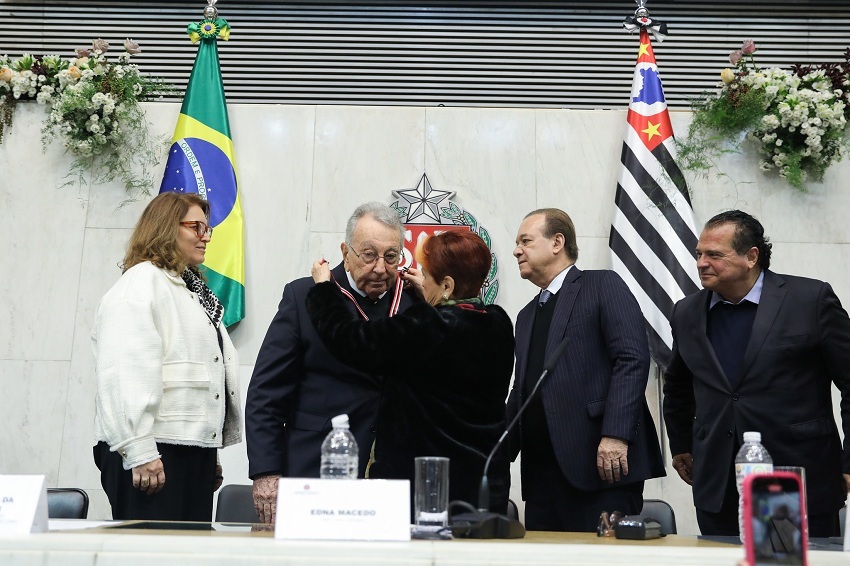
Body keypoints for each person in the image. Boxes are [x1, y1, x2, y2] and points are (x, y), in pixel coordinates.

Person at [663, 210, 850, 537]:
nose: (701, 263)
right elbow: (678, 385)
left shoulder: (811, 300)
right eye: (699, 254)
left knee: (786, 560)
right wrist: (681, 445)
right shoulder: (687, 311)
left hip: (794, 474)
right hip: (718, 484)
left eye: (714, 255)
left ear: (751, 257)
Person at [305, 230, 515, 513]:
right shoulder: (499, 324)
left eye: (427, 275)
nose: (422, 281)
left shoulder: (429, 327)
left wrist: (323, 289)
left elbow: (351, 339)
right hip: (483, 488)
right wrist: (433, 291)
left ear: (448, 285)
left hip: (427, 492)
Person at [245, 202, 417, 524]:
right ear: (345, 251)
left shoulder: (411, 302)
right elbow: (266, 393)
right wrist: (267, 472)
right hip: (315, 468)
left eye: (391, 256)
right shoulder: (305, 296)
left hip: (389, 478)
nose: (380, 268)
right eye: (369, 254)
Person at [508, 208, 665, 532]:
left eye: (525, 241)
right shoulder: (526, 316)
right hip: (542, 479)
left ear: (557, 242)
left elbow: (632, 358)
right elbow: (523, 390)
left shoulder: (601, 285)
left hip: (601, 468)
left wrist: (616, 434)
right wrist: (498, 449)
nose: (516, 250)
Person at [91, 192, 242, 521]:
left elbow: (203, 375)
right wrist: (139, 449)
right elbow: (123, 374)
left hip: (187, 452)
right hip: (151, 451)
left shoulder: (192, 290)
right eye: (196, 227)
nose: (205, 237)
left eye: (208, 229)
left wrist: (208, 450)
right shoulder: (141, 283)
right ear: (164, 228)